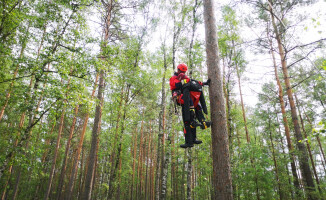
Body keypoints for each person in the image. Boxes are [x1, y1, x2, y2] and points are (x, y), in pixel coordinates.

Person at [169, 63, 211, 148]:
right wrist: (182, 79)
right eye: (182, 71)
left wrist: (203, 83)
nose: (183, 73)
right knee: (187, 121)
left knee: (194, 115)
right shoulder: (173, 78)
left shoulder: (184, 78)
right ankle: (188, 142)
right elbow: (176, 85)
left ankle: (194, 138)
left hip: (188, 99)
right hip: (181, 98)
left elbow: (192, 82)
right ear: (178, 70)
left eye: (184, 72)